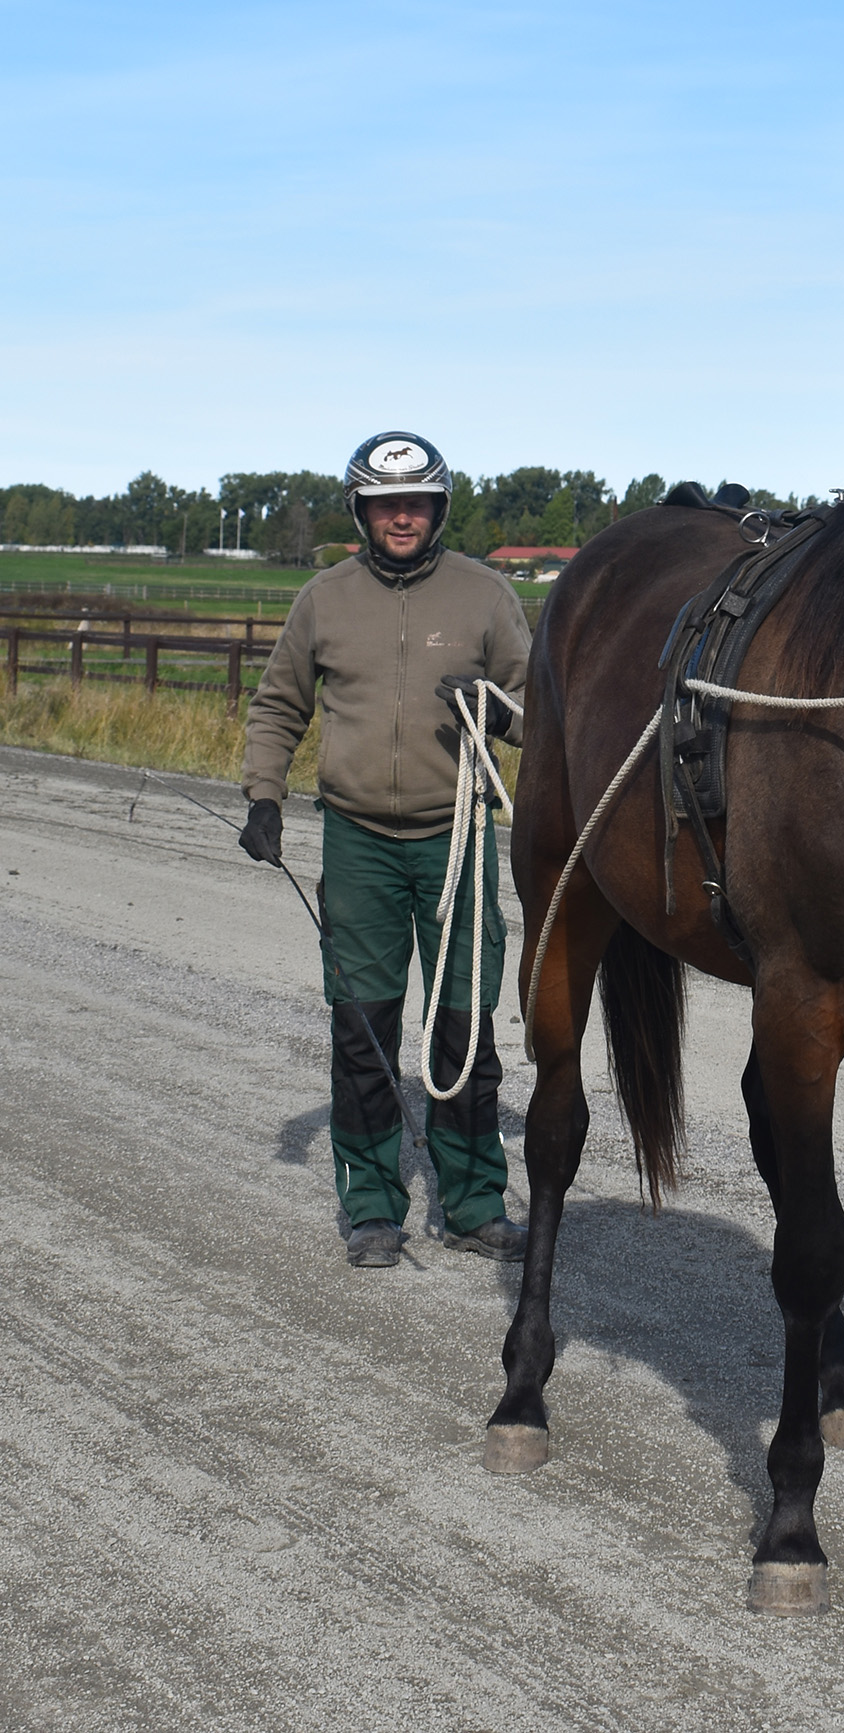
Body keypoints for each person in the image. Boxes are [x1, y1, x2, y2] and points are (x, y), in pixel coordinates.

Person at [238, 431, 530, 1269]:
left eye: (417, 503)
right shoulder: (324, 599)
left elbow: (545, 709)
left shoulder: (484, 596)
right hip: (359, 840)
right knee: (362, 1028)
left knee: (465, 1031)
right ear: (360, 510)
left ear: (439, 508)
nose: (402, 518)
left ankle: (474, 1201)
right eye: (385, 504)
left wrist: (495, 710)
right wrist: (265, 794)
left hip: (459, 837)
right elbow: (277, 706)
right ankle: (371, 1203)